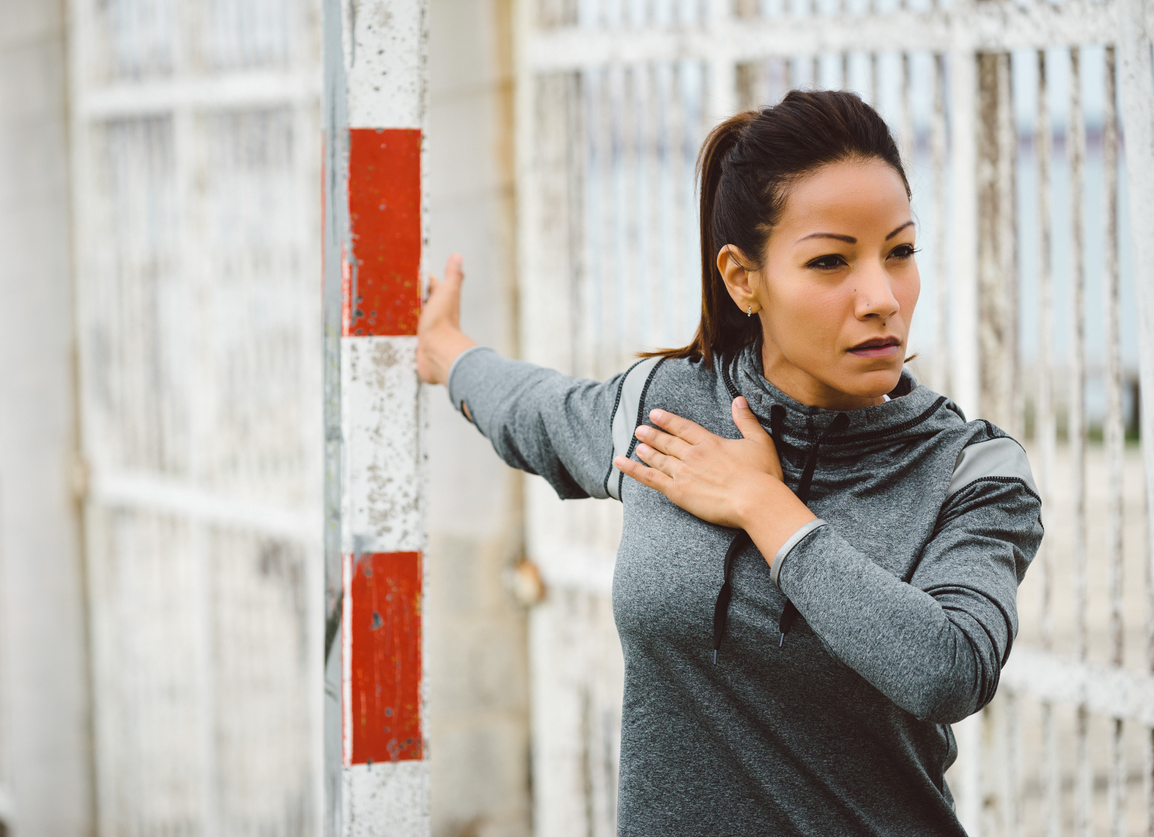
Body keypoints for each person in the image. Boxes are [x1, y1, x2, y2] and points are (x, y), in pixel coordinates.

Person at [416, 89, 1043, 836]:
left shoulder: (971, 469)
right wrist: (448, 353)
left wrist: (764, 505)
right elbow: (538, 409)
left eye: (899, 252)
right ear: (744, 279)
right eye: (831, 261)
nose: (882, 297)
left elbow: (949, 668)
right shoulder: (668, 409)